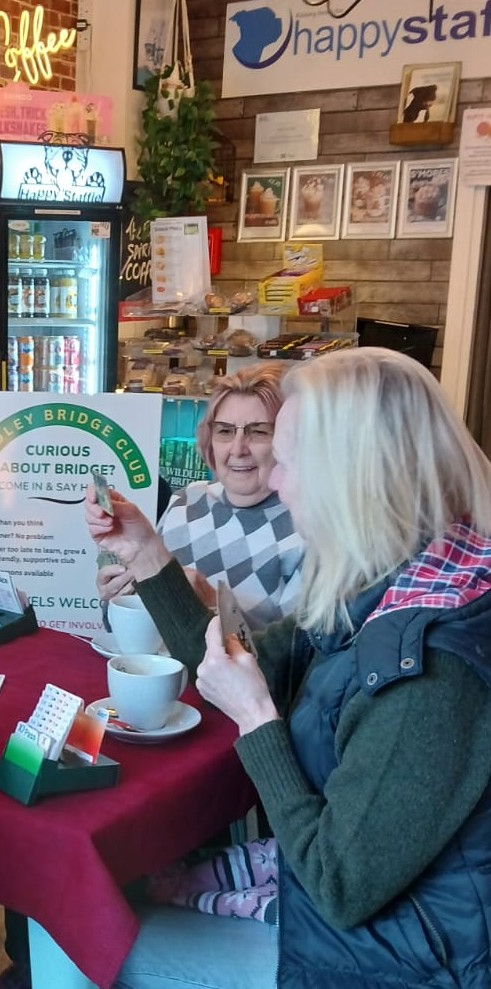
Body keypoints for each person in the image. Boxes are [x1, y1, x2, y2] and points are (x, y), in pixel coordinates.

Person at [87, 347, 491, 989]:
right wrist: (146, 554)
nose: (273, 481)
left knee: (83, 931)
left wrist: (256, 718)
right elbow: (232, 660)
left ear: (353, 476)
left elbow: (337, 884)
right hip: (379, 911)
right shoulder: (399, 580)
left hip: (402, 956)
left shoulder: (434, 670)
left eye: (289, 461)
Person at [99, 363, 303, 630]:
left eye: (259, 432)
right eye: (225, 431)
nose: (237, 449)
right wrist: (117, 601)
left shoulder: (308, 531)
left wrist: (211, 606)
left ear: (290, 441)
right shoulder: (187, 501)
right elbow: (148, 627)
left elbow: (296, 654)